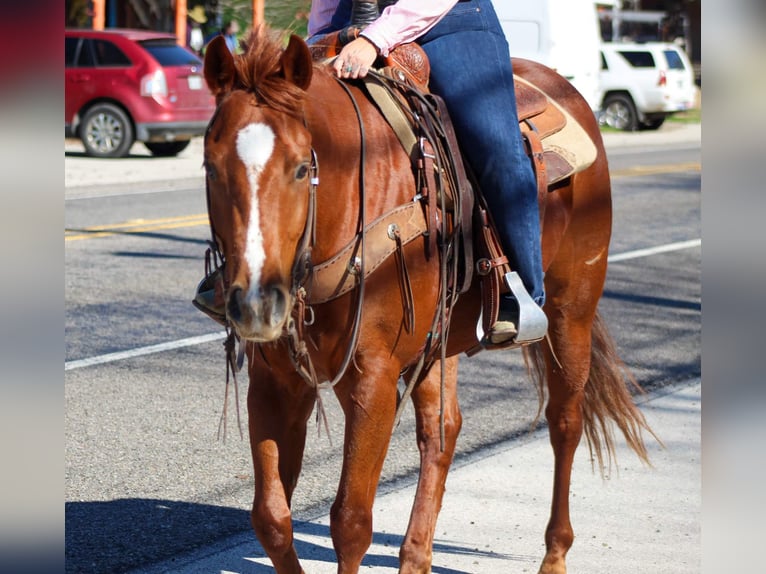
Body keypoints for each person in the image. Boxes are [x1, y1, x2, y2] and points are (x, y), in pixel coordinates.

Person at [307, 0, 547, 343]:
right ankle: (253, 275)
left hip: (447, 20)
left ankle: (522, 290)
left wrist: (375, 40)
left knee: (495, 146)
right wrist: (319, 37)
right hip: (348, 25)